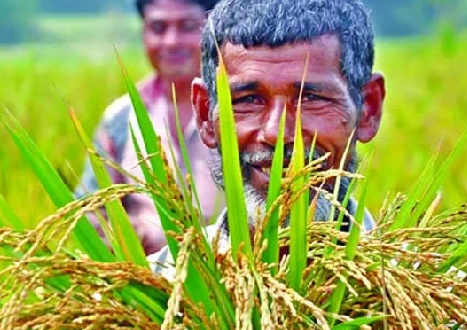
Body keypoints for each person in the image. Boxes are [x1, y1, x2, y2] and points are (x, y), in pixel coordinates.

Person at [148, 0, 386, 277]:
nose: (275, 132)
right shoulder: (156, 291)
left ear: (368, 109)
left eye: (310, 98)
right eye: (248, 100)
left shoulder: (430, 300)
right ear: (205, 115)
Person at [74, 0, 224, 255]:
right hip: (144, 284)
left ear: (214, 30)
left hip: (233, 280)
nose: (171, 42)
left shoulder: (245, 111)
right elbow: (88, 212)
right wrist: (129, 235)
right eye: (158, 27)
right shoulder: (121, 117)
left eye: (188, 27)